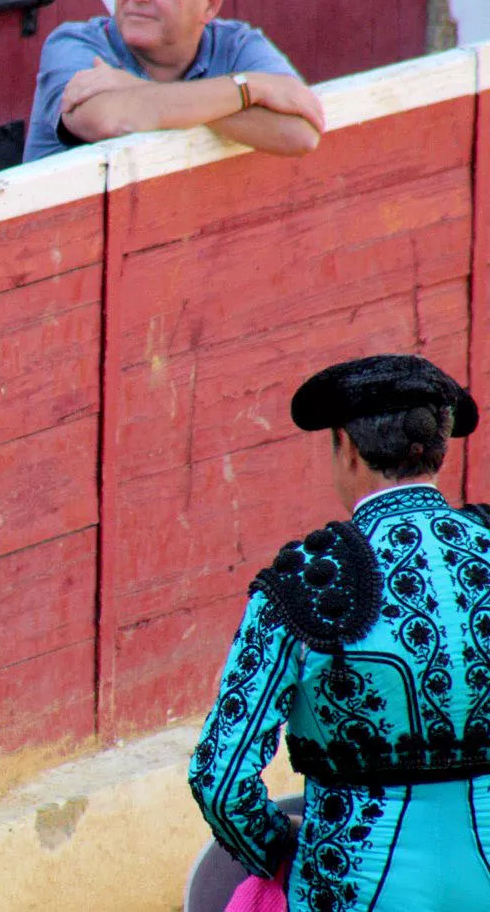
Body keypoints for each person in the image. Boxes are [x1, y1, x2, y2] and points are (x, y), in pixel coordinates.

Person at [189, 354, 490, 910]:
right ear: (441, 451)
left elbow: (220, 776)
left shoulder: (309, 578)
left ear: (348, 450)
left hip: (355, 879)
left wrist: (281, 849)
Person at [23, 0, 324, 162]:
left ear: (210, 3)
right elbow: (109, 118)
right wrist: (251, 89)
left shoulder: (238, 45)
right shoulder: (74, 44)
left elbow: (299, 134)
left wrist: (134, 90)